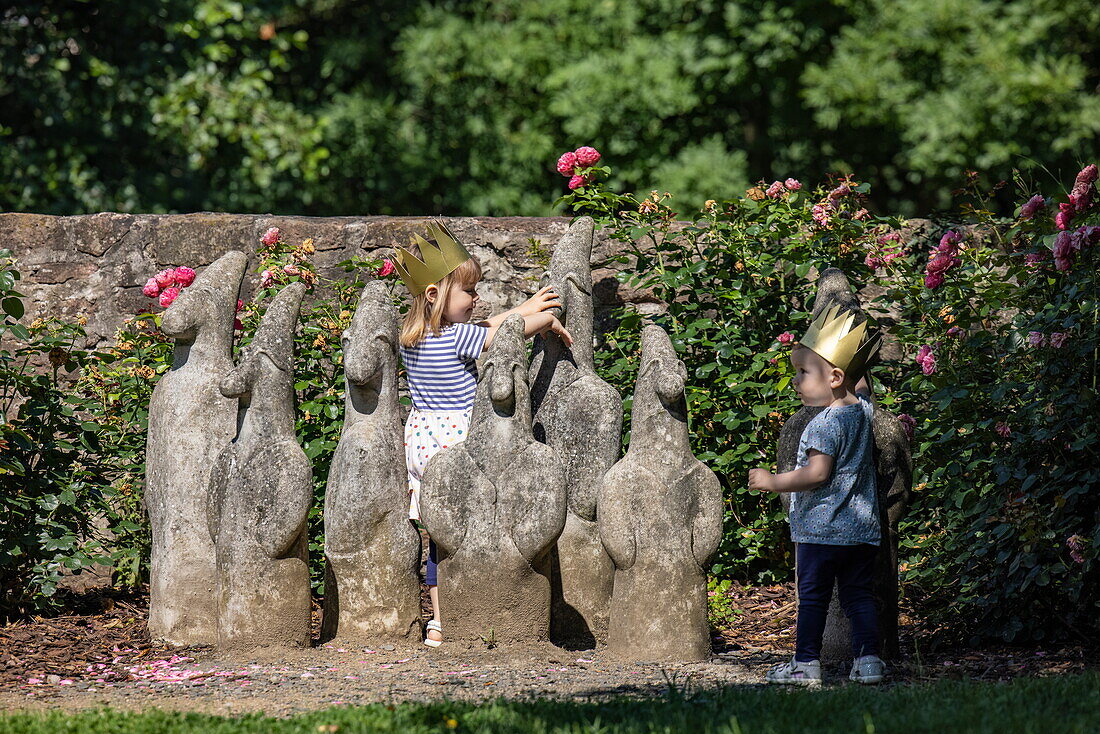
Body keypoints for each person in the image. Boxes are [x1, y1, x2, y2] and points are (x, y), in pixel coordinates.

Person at [394, 221, 572, 647]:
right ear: (436, 296)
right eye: (469, 292)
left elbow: (488, 326)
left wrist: (524, 306)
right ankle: (477, 606)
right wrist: (543, 317)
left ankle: (438, 620)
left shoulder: (413, 338)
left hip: (421, 440)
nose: (477, 299)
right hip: (458, 439)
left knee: (438, 535)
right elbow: (496, 336)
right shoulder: (460, 338)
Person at [748, 305, 885, 685]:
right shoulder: (863, 414)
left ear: (835, 376)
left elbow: (817, 474)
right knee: (859, 598)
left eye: (803, 373)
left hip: (820, 533)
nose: (796, 382)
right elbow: (861, 386)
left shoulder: (822, 425)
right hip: (860, 532)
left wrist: (772, 481)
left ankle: (806, 664)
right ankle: (869, 661)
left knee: (813, 601)